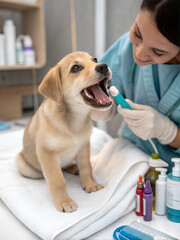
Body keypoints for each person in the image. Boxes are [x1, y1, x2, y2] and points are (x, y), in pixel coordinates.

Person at [91, 0, 180, 172]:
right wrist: (100, 105)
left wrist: (169, 132)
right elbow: (104, 89)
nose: (139, 54)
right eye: (137, 33)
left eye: (158, 51)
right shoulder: (125, 46)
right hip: (129, 157)